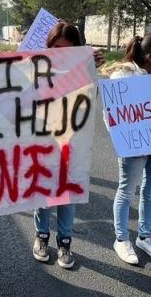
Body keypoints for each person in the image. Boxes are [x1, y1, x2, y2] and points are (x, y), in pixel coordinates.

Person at [28, 21, 99, 268]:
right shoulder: (36, 68)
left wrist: (88, 69)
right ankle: (41, 237)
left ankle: (65, 243)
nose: (62, 53)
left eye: (68, 49)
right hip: (42, 140)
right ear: (49, 46)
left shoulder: (84, 70)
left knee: (67, 194)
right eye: (57, 47)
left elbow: (90, 101)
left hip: (73, 142)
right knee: (44, 192)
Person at [110, 33, 151, 266]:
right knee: (126, 192)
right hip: (134, 146)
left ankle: (145, 237)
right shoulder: (122, 75)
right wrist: (125, 139)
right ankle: (121, 239)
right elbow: (113, 115)